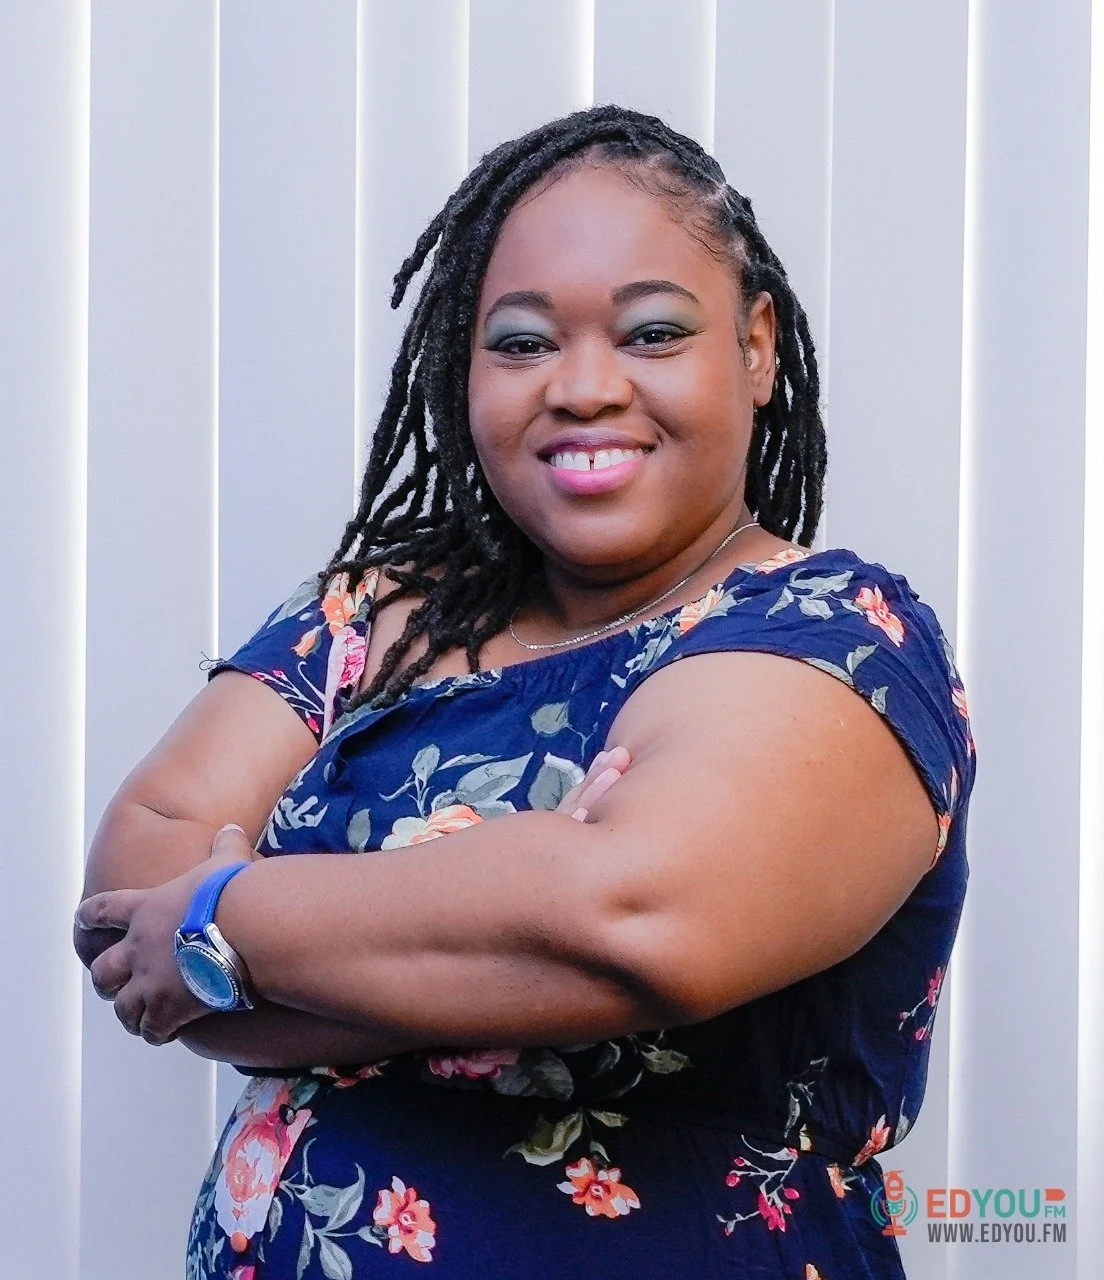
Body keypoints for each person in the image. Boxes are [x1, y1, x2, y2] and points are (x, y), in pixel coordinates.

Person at [74, 104, 975, 1279]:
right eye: (522, 342)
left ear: (755, 346)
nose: (585, 387)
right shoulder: (374, 614)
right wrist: (520, 893)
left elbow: (637, 921)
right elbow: (124, 900)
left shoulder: (833, 637)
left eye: (652, 332)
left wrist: (225, 922)